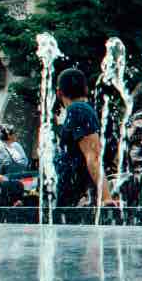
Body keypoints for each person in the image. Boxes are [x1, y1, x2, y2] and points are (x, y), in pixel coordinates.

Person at [53, 67, 115, 208]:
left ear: (59, 92)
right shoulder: (81, 110)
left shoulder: (78, 110)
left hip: (69, 190)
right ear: (86, 89)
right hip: (68, 187)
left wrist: (107, 199)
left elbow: (93, 156)